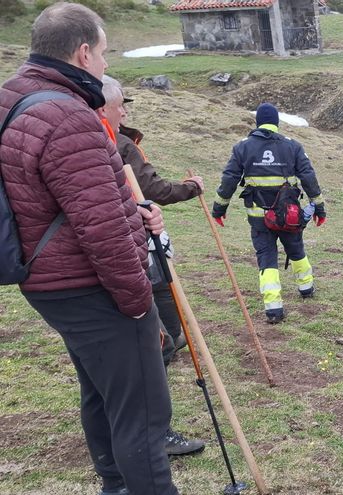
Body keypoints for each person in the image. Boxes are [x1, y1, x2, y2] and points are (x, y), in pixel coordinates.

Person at [0, 3, 178, 494]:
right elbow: (98, 226)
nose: (104, 64)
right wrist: (138, 300)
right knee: (142, 410)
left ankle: (115, 484)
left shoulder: (15, 97)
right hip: (89, 284)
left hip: (47, 277)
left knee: (103, 392)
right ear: (82, 52)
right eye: (102, 53)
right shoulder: (68, 115)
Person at [98, 76, 206, 457]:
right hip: (131, 249)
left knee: (145, 337)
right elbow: (153, 190)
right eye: (119, 105)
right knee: (157, 336)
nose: (125, 110)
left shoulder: (104, 137)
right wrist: (192, 187)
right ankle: (150, 428)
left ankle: (125, 428)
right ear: (102, 106)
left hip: (116, 251)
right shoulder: (114, 142)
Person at [212, 102, 326, 324]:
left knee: (266, 257)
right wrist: (319, 208)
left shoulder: (242, 148)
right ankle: (306, 288)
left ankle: (273, 308)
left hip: (259, 219)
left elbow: (229, 181)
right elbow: (309, 179)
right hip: (289, 216)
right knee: (296, 249)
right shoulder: (293, 146)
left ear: (257, 123)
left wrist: (219, 208)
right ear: (276, 123)